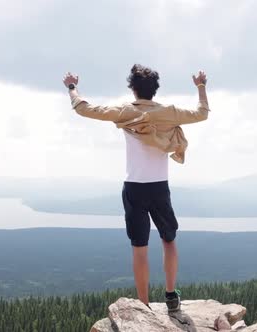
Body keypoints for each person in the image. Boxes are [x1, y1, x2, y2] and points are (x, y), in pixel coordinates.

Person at [62, 64, 210, 312]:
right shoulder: (169, 112)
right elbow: (202, 113)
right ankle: (171, 296)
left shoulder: (124, 111)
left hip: (134, 188)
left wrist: (72, 87)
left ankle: (143, 306)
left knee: (139, 248)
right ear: (155, 89)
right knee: (169, 240)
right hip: (160, 187)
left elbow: (83, 108)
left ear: (133, 88)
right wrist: (201, 86)